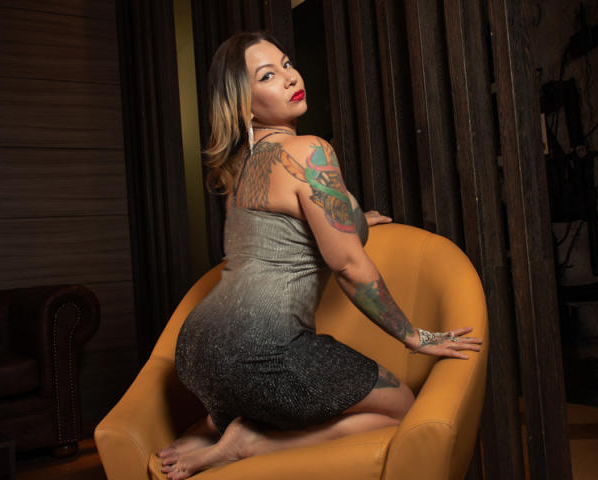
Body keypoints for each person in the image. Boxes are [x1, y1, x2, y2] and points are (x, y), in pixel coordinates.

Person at [157, 31, 482, 479]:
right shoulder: (309, 150)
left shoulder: (240, 170)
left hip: (196, 351)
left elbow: (276, 241)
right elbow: (346, 265)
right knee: (401, 406)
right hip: (262, 353)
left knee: (263, 388)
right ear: (244, 106)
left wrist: (354, 220)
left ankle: (219, 425)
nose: (290, 77)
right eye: (267, 76)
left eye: (287, 64)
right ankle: (251, 443)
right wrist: (415, 337)